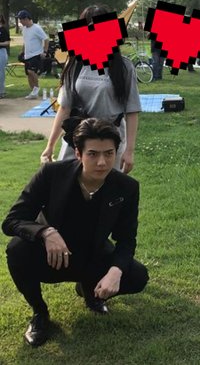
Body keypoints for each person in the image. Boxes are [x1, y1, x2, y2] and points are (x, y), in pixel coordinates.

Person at [2, 118, 149, 347]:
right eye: (93, 154)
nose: (102, 162)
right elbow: (12, 221)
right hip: (51, 256)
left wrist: (115, 271)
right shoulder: (52, 174)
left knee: (137, 276)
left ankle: (90, 290)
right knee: (16, 250)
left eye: (109, 153)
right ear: (78, 153)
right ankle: (40, 313)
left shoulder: (127, 187)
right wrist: (46, 232)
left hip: (92, 253)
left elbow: (127, 239)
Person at [40, 4, 141, 173]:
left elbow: (132, 111)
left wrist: (129, 151)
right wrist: (50, 146)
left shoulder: (124, 67)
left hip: (110, 139)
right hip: (78, 137)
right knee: (68, 182)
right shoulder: (74, 64)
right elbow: (64, 108)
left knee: (106, 184)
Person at [17, 9, 49, 99]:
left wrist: (45, 52)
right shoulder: (24, 29)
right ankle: (33, 92)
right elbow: (25, 41)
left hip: (36, 54)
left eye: (21, 20)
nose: (20, 22)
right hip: (27, 55)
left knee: (31, 71)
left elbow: (46, 39)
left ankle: (37, 88)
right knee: (28, 74)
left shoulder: (36, 28)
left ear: (26, 18)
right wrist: (22, 51)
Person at [0, 14, 10, 98]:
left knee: (1, 72)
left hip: (1, 51)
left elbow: (7, 42)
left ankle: (1, 91)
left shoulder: (3, 30)